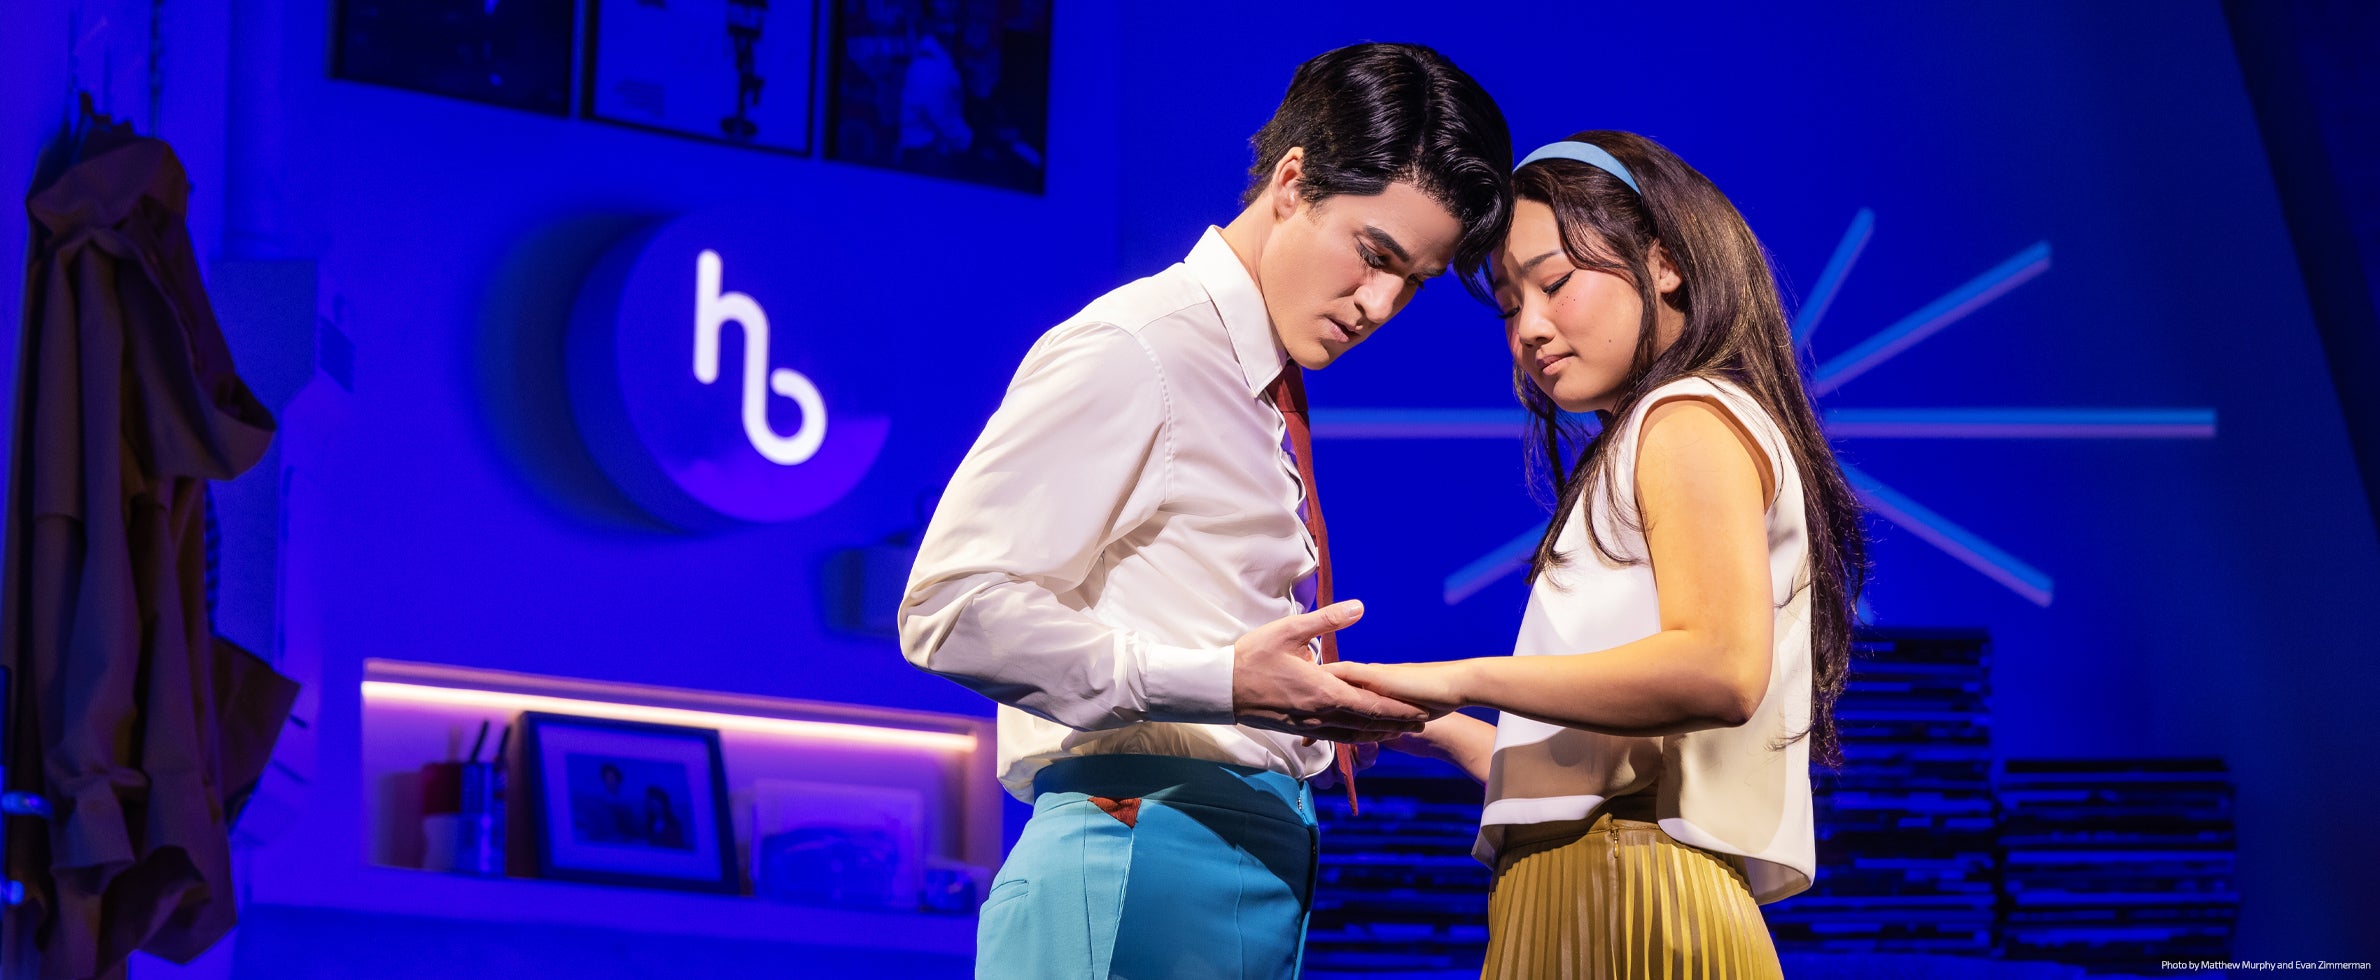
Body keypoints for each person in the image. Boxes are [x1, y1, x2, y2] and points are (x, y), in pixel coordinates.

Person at [898, 43, 1511, 980]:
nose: (1380, 304)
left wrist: (1430, 725)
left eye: (1413, 281)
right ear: (1293, 184)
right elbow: (950, 607)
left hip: (1238, 856)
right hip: (1139, 845)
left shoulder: (1254, 382)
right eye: (1374, 255)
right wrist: (1220, 681)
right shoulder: (1140, 348)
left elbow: (1216, 632)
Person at [1325, 130, 1869, 979]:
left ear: (1664, 263)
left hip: (1626, 893)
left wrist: (1458, 676)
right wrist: (1423, 721)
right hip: (1599, 883)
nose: (1529, 330)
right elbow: (1601, 763)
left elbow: (1720, 670)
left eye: (1555, 283)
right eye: (1509, 306)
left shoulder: (1684, 418)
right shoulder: (1664, 427)